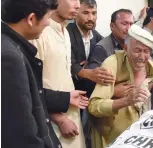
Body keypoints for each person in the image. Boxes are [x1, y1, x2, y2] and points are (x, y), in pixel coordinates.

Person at [1, 0, 88, 147]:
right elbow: (21, 127)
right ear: (31, 19)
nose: (48, 23)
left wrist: (65, 97)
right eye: (48, 17)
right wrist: (59, 118)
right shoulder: (10, 56)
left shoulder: (64, 31)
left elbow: (31, 91)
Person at [88, 24, 153, 148]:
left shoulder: (150, 68)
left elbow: (152, 79)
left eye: (146, 51)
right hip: (111, 137)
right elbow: (94, 106)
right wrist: (126, 101)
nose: (142, 57)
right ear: (126, 48)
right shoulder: (111, 64)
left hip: (138, 136)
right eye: (137, 50)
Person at [29, 0, 87, 147]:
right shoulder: (39, 33)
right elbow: (32, 86)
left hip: (71, 113)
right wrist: (58, 118)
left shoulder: (65, 31)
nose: (78, 5)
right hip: (52, 121)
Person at [84, 9, 135, 97]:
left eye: (131, 24)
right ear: (112, 26)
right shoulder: (102, 48)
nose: (128, 28)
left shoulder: (134, 44)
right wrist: (112, 91)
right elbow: (91, 81)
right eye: (124, 24)